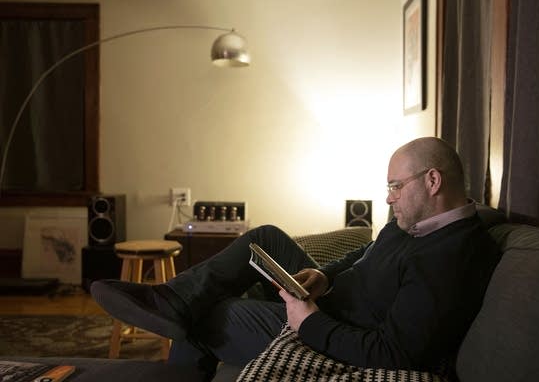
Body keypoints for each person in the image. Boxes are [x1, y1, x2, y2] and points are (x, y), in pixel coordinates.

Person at [91, 137, 501, 379]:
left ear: (432, 181)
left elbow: (393, 353)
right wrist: (323, 275)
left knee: (214, 314)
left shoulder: (453, 256)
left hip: (334, 327)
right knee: (266, 236)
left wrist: (310, 322)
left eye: (396, 186)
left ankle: (179, 308)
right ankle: (172, 300)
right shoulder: (415, 220)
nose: (388, 197)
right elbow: (368, 251)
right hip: (329, 297)